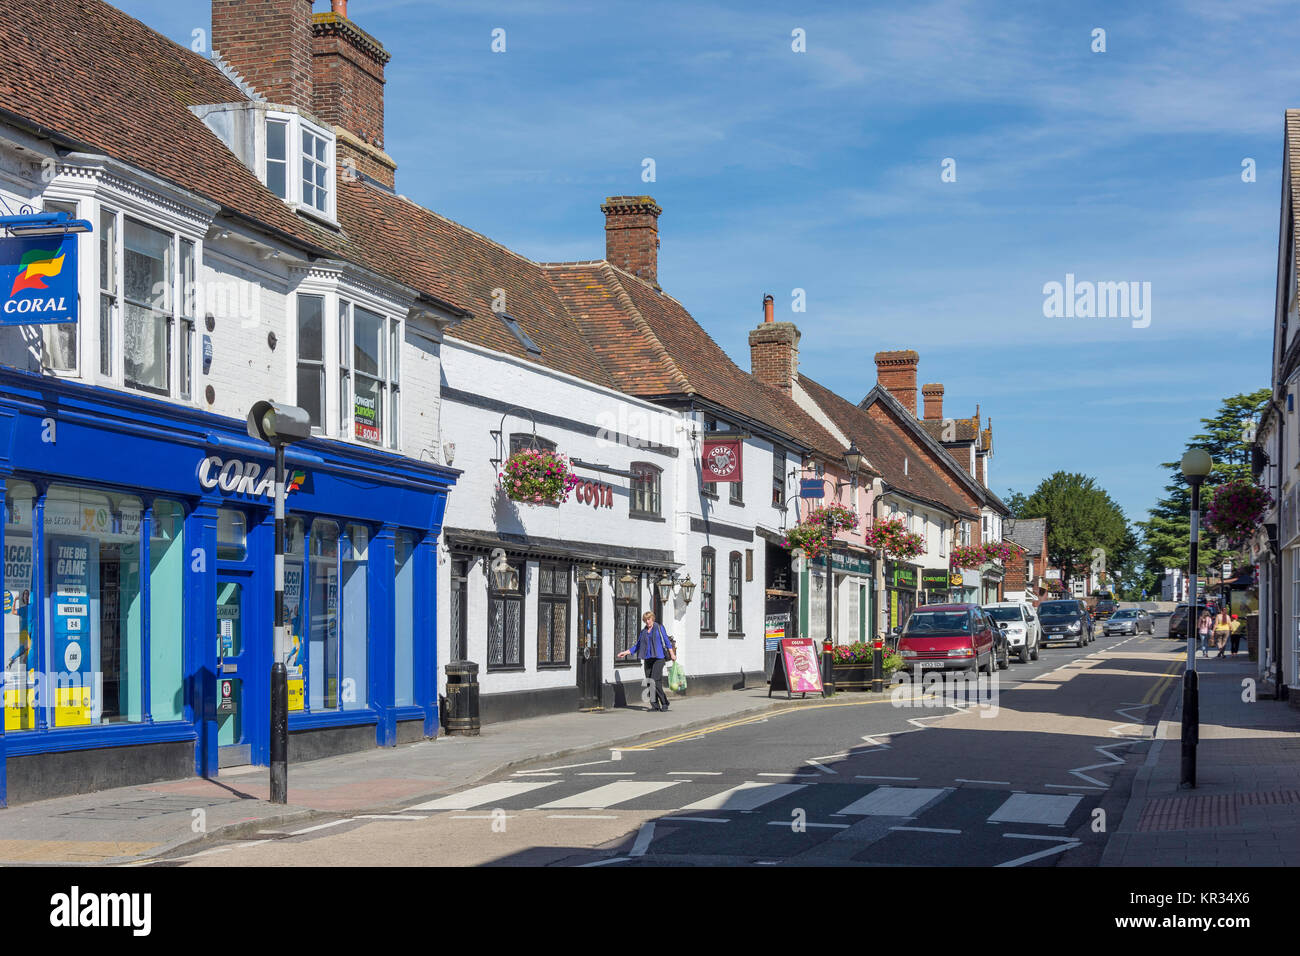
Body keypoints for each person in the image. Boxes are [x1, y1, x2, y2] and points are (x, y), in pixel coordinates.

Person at [617, 610, 676, 712]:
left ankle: (664, 702)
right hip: (648, 658)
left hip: (659, 658)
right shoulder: (643, 632)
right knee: (649, 682)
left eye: (649, 619)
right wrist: (625, 652)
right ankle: (655, 705)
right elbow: (638, 646)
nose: (647, 622)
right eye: (645, 620)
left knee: (655, 681)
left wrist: (672, 654)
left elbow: (666, 641)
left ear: (652, 618)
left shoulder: (659, 628)